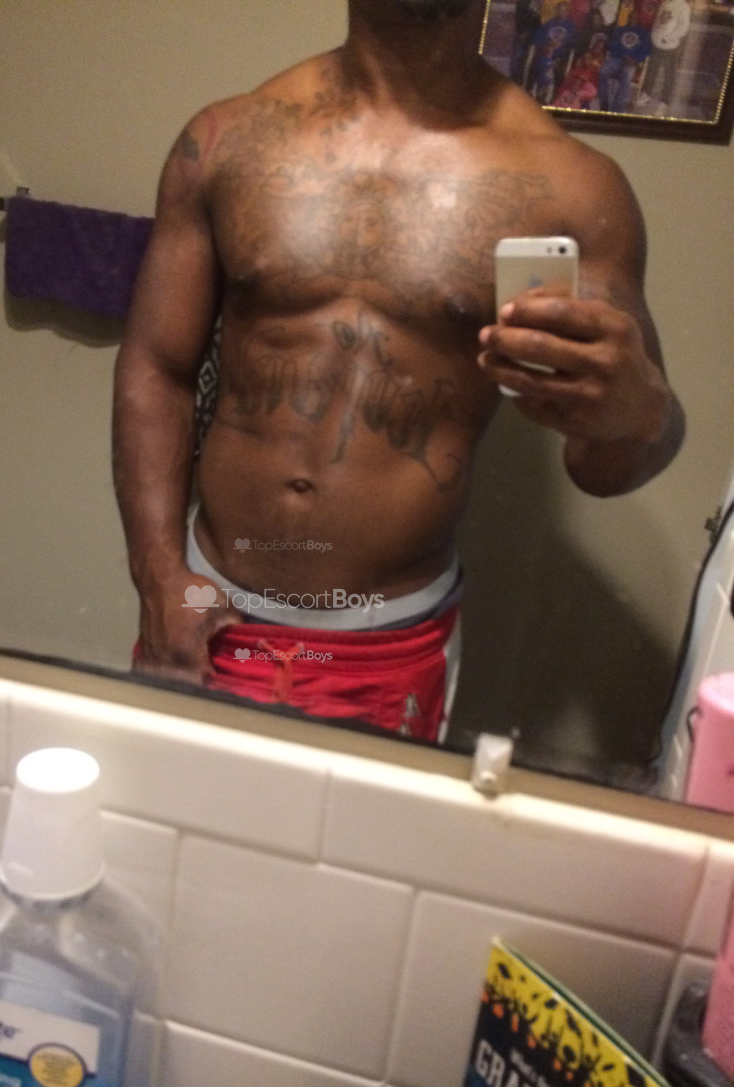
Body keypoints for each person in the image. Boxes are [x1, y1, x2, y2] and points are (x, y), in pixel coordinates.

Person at [112, 0, 684, 742]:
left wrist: (639, 413)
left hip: (389, 644)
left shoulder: (574, 189)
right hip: (202, 609)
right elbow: (157, 366)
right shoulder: (228, 140)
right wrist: (158, 574)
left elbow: (607, 466)